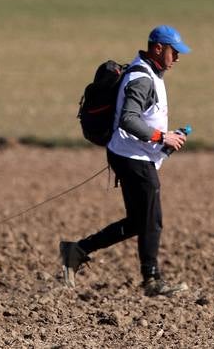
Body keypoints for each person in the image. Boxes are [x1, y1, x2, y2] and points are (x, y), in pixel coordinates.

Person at [59, 25, 192, 297]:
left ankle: (78, 250)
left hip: (133, 155)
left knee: (138, 221)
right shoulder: (142, 78)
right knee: (151, 220)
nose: (177, 58)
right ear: (158, 48)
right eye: (174, 52)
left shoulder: (148, 72)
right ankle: (152, 280)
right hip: (133, 158)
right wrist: (161, 137)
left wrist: (164, 139)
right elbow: (128, 119)